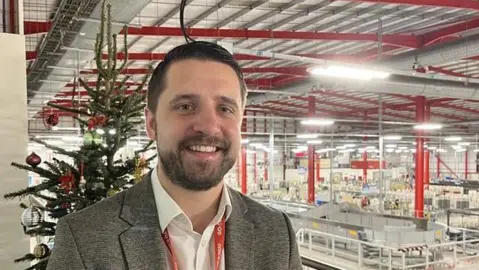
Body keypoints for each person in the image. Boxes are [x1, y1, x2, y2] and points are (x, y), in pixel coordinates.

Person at [47, 41, 303, 270]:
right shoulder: (85, 238)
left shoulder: (276, 231)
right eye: (185, 106)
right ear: (152, 123)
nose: (209, 126)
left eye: (225, 108)